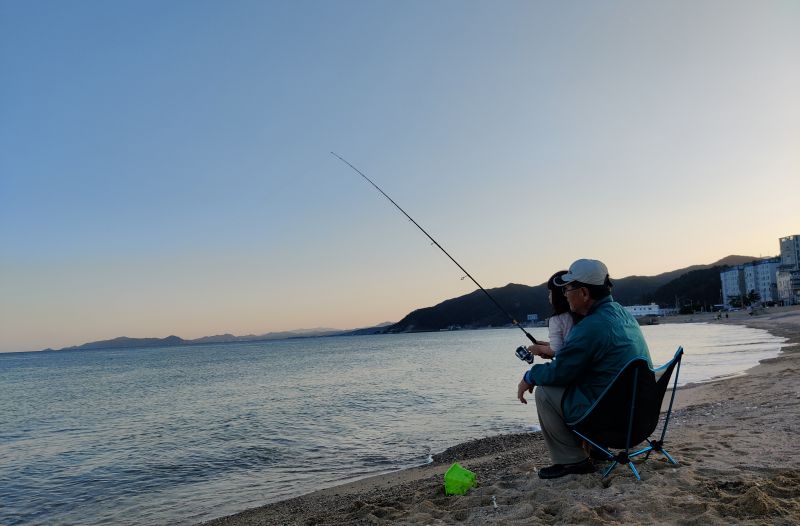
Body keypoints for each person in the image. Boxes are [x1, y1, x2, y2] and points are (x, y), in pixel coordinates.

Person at [516, 259, 652, 479]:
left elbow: (559, 373)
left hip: (613, 422)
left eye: (568, 289)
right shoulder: (621, 313)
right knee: (580, 385)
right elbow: (580, 361)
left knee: (545, 392)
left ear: (584, 293)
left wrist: (529, 376)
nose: (565, 294)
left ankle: (572, 461)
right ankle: (597, 449)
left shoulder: (591, 326)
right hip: (639, 414)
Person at [529, 270, 584, 360]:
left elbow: (556, 350)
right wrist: (547, 346)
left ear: (559, 295)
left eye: (550, 292)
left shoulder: (556, 319)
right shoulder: (582, 313)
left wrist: (539, 349)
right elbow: (567, 345)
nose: (549, 296)